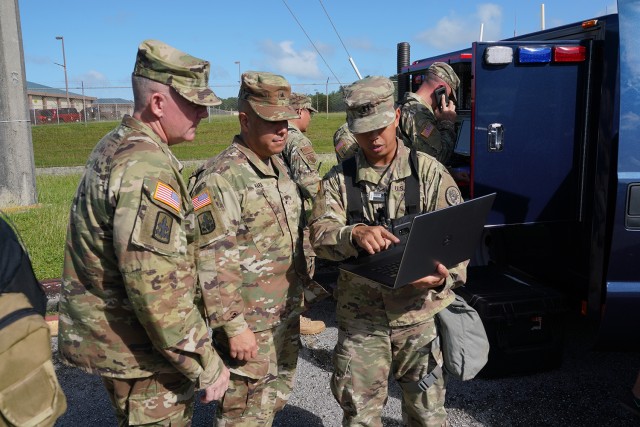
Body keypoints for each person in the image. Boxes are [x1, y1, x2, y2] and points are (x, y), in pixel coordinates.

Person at [57, 39, 229, 426]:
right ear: (157, 104)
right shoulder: (145, 167)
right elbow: (156, 288)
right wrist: (205, 362)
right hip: (145, 357)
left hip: (129, 345)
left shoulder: (118, 144)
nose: (204, 113)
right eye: (195, 103)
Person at [309, 75, 467, 426]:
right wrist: (352, 234)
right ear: (351, 127)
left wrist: (441, 279)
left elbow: (458, 239)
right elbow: (319, 234)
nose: (375, 137)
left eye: (380, 126)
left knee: (427, 413)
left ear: (396, 116)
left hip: (417, 318)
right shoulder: (339, 180)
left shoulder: (427, 172)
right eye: (364, 130)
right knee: (360, 415)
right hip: (361, 321)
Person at [188, 71, 308, 426]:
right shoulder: (220, 178)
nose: (283, 129)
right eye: (272, 122)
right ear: (245, 119)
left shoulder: (277, 167)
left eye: (285, 120)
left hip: (283, 313)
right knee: (243, 415)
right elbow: (210, 258)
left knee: (272, 402)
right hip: (250, 324)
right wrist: (232, 325)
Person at [281, 92, 326, 335]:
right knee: (303, 263)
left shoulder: (277, 135)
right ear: (299, 112)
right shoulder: (297, 140)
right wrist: (326, 215)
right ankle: (296, 318)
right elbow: (310, 184)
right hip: (294, 213)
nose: (311, 118)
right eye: (310, 112)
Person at [398, 62, 460, 167]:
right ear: (441, 90)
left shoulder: (407, 105)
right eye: (448, 95)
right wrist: (447, 123)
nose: (448, 100)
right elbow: (436, 160)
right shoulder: (417, 114)